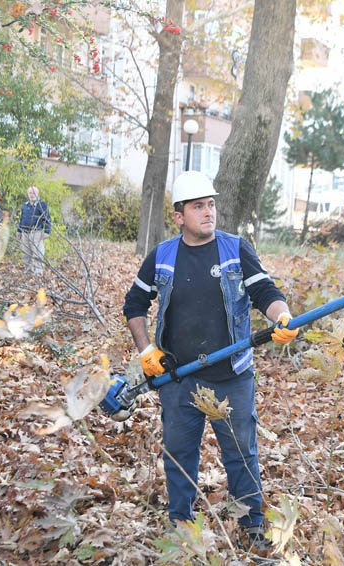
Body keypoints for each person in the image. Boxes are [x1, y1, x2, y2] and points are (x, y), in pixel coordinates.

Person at [120, 171, 298, 550]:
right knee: (180, 455)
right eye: (198, 206)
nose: (208, 212)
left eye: (211, 204)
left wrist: (281, 317)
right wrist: (146, 351)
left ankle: (251, 527)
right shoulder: (163, 256)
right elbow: (134, 304)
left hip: (231, 375)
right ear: (179, 215)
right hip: (179, 379)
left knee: (242, 455)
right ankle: (182, 527)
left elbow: (265, 291)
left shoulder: (235, 249)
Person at [17, 185, 51, 275]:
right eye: (30, 193)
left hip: (36, 232)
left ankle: (38, 271)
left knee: (37, 252)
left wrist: (47, 231)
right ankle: (28, 270)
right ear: (28, 194)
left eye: (34, 193)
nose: (32, 195)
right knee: (25, 252)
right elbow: (22, 218)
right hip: (25, 232)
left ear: (37, 193)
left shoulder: (42, 204)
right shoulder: (25, 205)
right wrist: (19, 231)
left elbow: (47, 218)